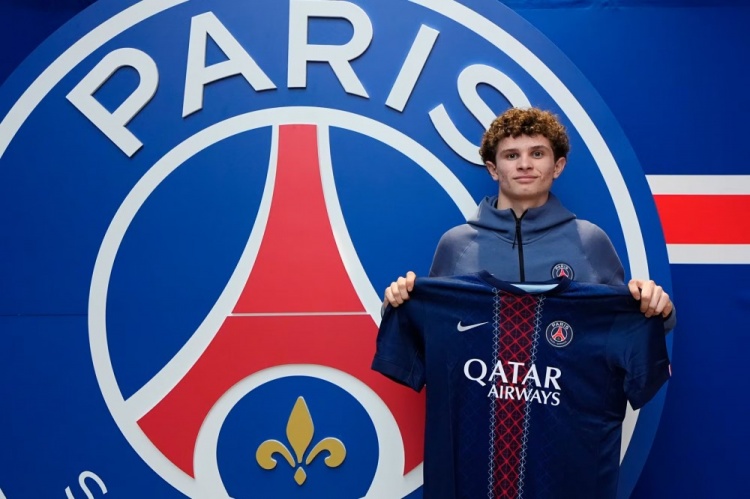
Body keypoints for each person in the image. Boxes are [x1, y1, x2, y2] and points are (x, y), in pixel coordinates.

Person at [384, 107, 675, 331]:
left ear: (557, 166)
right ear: (493, 169)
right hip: (477, 394)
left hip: (568, 395)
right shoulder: (457, 244)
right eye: (511, 156)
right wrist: (396, 305)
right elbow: (428, 331)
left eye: (537, 153)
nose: (525, 164)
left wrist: (658, 309)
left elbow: (622, 329)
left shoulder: (589, 240)